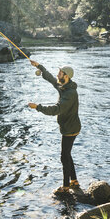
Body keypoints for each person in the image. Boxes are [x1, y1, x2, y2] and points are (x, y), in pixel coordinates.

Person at [28, 60, 81, 195]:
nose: (58, 75)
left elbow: (56, 109)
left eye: (60, 73)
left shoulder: (70, 94)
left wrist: (37, 107)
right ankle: (74, 181)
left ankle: (66, 187)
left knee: (64, 157)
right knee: (67, 154)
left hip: (70, 129)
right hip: (69, 127)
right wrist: (39, 67)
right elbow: (52, 79)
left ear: (66, 76)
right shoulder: (64, 86)